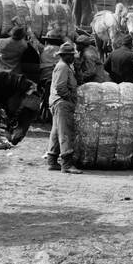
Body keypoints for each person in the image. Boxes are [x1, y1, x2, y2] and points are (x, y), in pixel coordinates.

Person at [45, 41, 83, 174]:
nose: (73, 57)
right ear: (65, 55)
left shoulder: (65, 66)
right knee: (65, 132)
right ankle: (66, 164)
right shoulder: (63, 67)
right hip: (62, 103)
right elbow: (60, 87)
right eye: (71, 55)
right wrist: (70, 98)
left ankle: (52, 161)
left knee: (56, 131)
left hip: (58, 102)